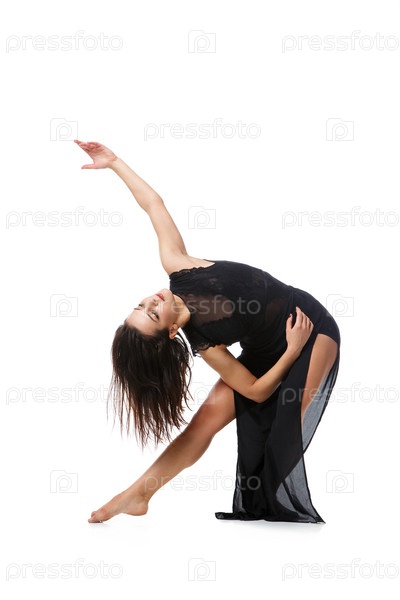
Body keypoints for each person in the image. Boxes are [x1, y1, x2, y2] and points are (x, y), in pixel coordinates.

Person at [74, 140, 340, 525]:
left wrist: (114, 162)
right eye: (153, 313)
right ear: (170, 332)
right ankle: (137, 494)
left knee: (284, 428)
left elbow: (153, 204)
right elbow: (255, 390)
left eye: (142, 304)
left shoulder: (179, 267)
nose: (152, 300)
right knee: (201, 426)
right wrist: (290, 351)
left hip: (313, 327)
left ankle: (273, 503)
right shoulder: (205, 342)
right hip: (291, 344)